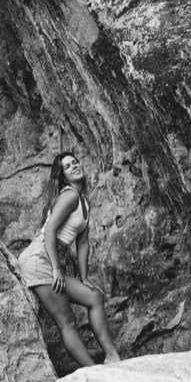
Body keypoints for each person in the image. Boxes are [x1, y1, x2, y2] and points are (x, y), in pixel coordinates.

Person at [17, 150, 121, 369]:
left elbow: (82, 243)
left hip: (49, 260)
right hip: (39, 260)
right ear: (63, 176)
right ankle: (92, 371)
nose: (75, 166)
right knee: (67, 321)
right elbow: (50, 231)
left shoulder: (83, 201)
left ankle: (112, 357)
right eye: (67, 166)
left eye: (75, 162)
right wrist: (56, 268)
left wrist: (83, 277)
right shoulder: (69, 195)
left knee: (94, 297)